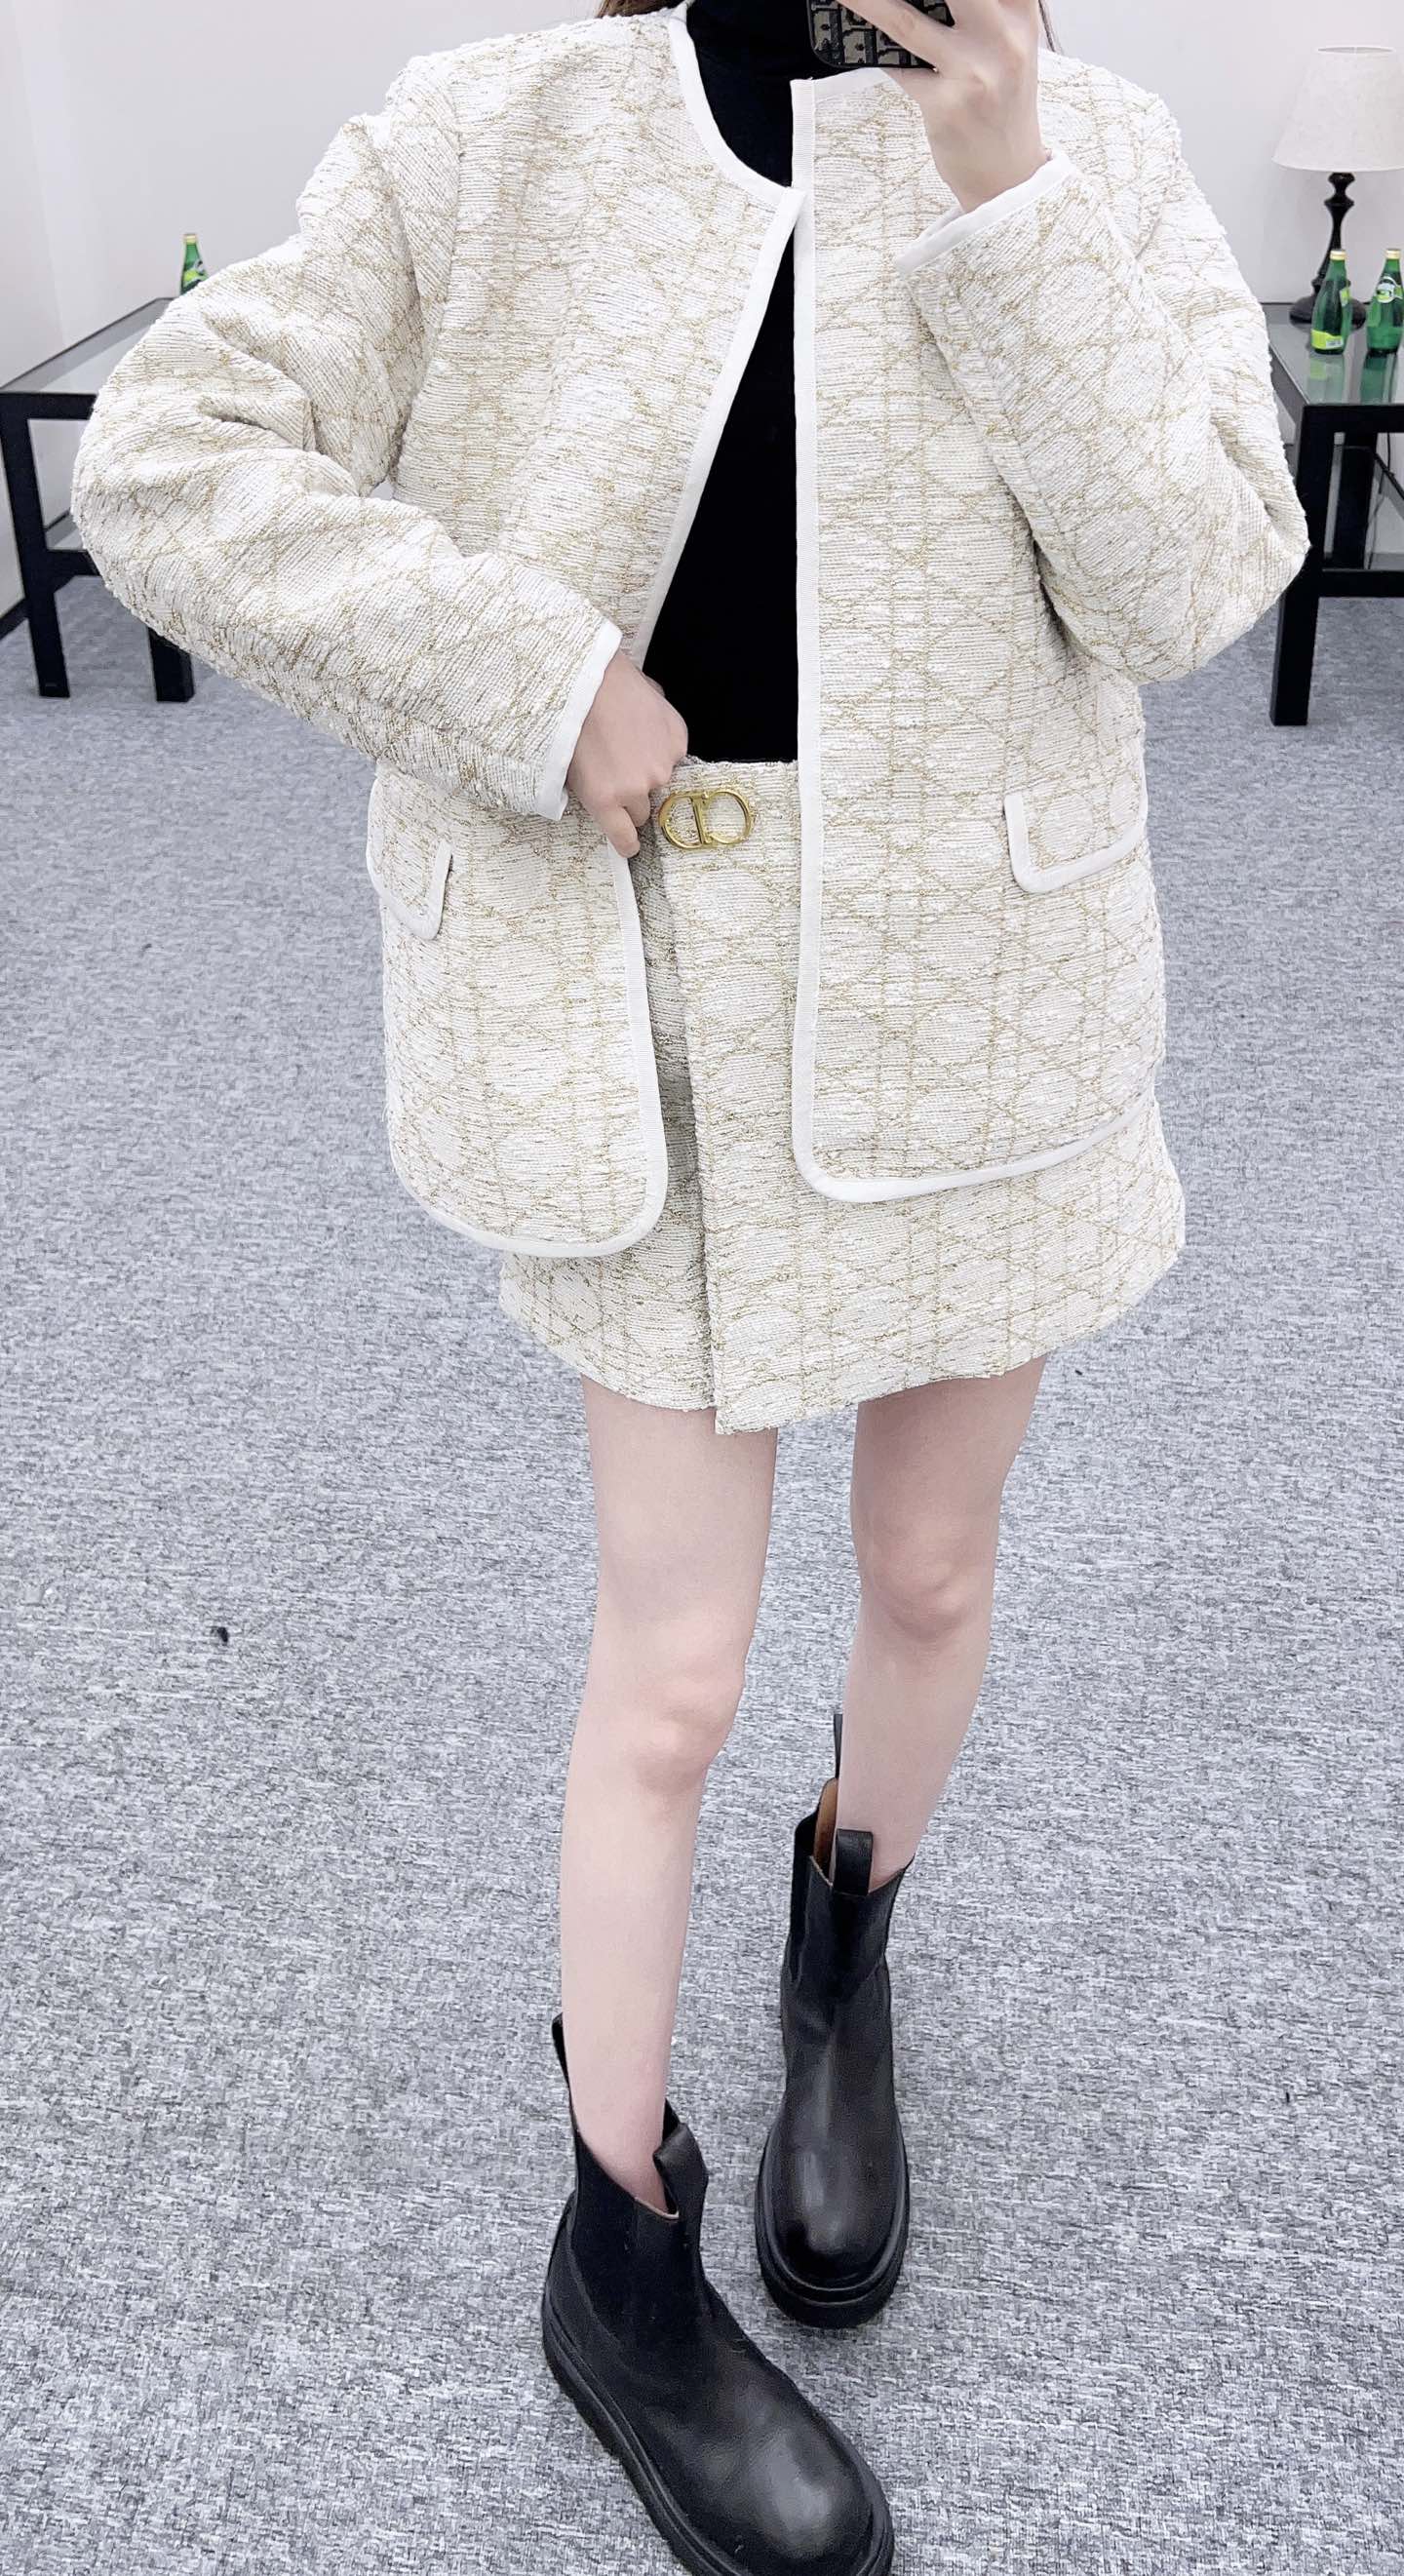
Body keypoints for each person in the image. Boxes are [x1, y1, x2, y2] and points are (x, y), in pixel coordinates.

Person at [70, 2, 1310, 2569]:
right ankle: (617, 2256)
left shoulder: (1098, 149)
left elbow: (1195, 582)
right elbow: (170, 460)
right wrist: (525, 682)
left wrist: (1011, 195)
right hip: (637, 1011)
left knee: (933, 1570)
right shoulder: (494, 131)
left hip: (988, 999)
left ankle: (840, 1951)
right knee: (669, 1673)